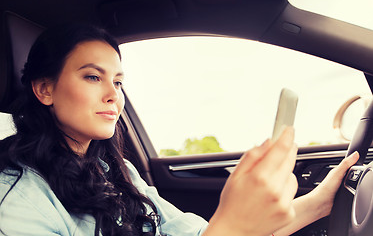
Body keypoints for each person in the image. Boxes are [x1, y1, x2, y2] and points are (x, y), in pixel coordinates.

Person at [0, 23, 359, 236]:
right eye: (93, 77)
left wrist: (320, 201)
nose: (113, 95)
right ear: (44, 89)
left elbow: (192, 233)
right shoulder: (16, 200)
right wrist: (231, 226)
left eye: (119, 81)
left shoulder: (114, 172)